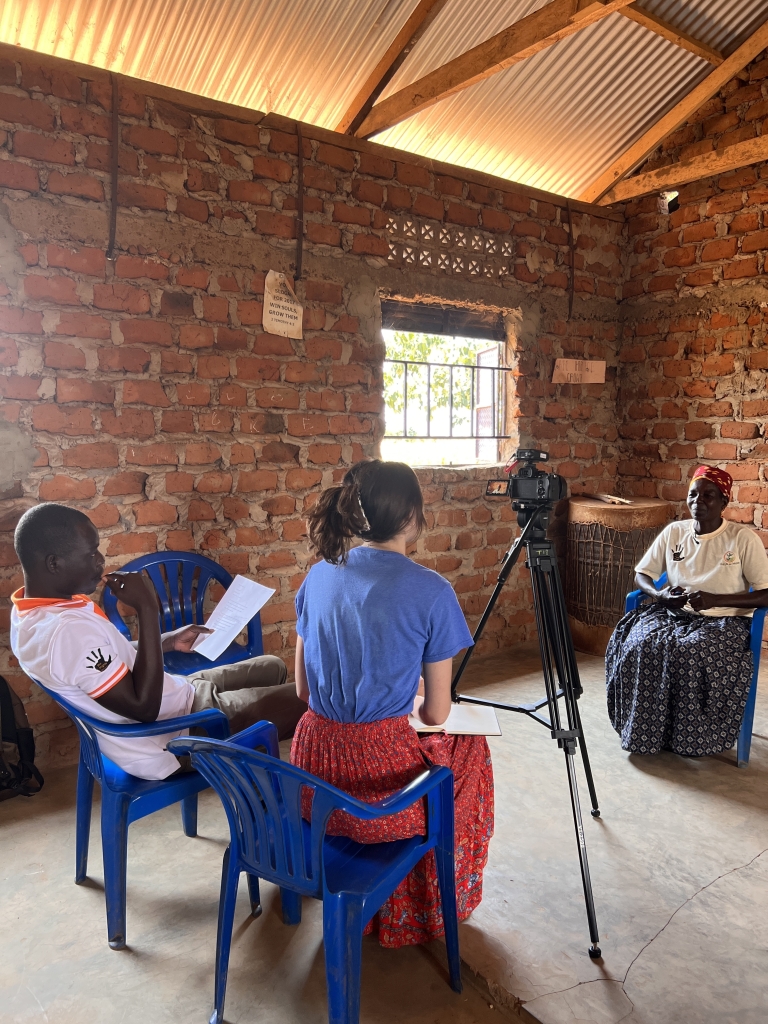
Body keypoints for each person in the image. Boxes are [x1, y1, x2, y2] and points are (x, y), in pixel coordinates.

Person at [290, 459, 494, 948]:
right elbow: (436, 715)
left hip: (313, 776)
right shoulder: (431, 591)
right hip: (378, 796)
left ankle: (384, 899)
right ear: (412, 516)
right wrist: (408, 702)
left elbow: (303, 690)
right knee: (470, 754)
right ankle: (422, 908)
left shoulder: (317, 577)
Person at [10, 503, 305, 780]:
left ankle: (253, 754)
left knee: (272, 665)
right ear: (54, 563)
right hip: (172, 737)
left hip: (178, 696)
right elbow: (144, 709)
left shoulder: (31, 611)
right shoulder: (65, 632)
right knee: (308, 697)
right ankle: (262, 787)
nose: (100, 561)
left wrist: (167, 641)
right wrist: (147, 610)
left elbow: (109, 659)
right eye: (91, 554)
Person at [606, 466, 768, 757]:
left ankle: (690, 740)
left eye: (708, 495)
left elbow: (766, 593)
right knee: (638, 644)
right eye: (693, 495)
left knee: (690, 652)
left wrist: (715, 599)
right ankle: (647, 733)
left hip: (723, 622)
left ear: (724, 502)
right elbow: (642, 574)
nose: (698, 502)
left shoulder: (742, 539)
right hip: (672, 614)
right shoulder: (674, 532)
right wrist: (660, 593)